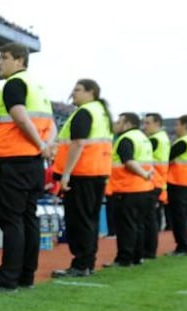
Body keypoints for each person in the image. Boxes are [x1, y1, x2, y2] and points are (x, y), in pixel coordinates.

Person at [0, 42, 54, 294]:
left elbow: (19, 116)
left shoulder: (14, 84)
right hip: (33, 164)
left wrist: (41, 145)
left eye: (4, 57)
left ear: (19, 60)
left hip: (14, 162)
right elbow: (52, 126)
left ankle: (7, 279)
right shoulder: (38, 88)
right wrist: (45, 147)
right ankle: (25, 276)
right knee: (28, 219)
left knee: (12, 222)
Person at [50, 79, 113, 278]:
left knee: (79, 221)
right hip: (96, 173)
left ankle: (81, 264)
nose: (73, 93)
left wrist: (66, 173)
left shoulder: (85, 112)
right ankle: (86, 263)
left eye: (77, 89)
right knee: (89, 220)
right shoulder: (101, 113)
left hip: (82, 174)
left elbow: (78, 144)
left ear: (91, 92)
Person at [106, 112, 154, 267]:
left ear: (127, 123)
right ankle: (137, 257)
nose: (116, 125)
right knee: (138, 225)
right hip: (144, 189)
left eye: (119, 122)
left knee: (126, 226)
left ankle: (124, 259)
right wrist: (146, 175)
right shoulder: (143, 138)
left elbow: (128, 161)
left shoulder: (126, 139)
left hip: (128, 188)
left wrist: (144, 174)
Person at [165, 114, 187, 255]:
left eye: (177, 124)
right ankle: (184, 244)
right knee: (181, 215)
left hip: (178, 180)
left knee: (178, 216)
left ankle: (182, 246)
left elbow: (166, 157)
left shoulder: (185, 141)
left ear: (185, 125)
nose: (176, 128)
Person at [141, 113, 170, 259]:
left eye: (147, 123)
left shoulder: (154, 140)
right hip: (157, 181)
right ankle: (149, 250)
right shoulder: (162, 138)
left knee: (148, 218)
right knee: (150, 218)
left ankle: (148, 251)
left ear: (157, 123)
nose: (144, 126)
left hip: (153, 181)